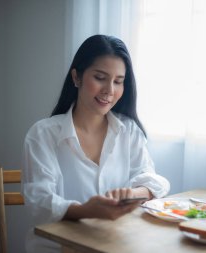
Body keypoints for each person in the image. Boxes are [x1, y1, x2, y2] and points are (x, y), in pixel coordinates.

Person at [21, 34, 170, 253]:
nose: (109, 90)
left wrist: (133, 194)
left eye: (118, 81)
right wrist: (86, 210)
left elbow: (155, 182)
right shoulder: (43, 134)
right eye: (100, 77)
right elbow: (39, 203)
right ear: (77, 77)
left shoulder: (128, 130)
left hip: (113, 244)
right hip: (57, 246)